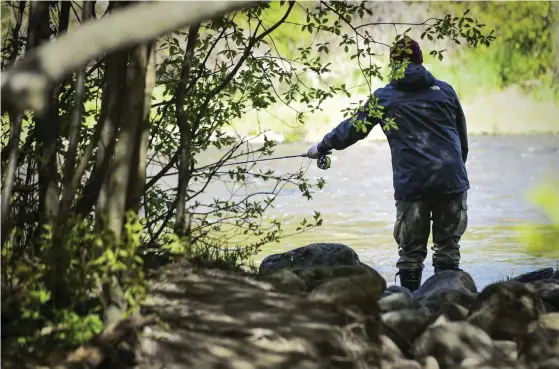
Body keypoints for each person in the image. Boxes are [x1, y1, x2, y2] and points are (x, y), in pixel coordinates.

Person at [306, 37, 469, 292]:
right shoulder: (445, 91)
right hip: (451, 179)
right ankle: (446, 305)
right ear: (421, 61)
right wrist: (455, 176)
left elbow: (353, 129)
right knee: (448, 250)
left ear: (393, 65)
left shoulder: (386, 97)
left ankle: (409, 304)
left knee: (411, 254)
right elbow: (462, 140)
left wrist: (322, 146)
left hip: (413, 185)